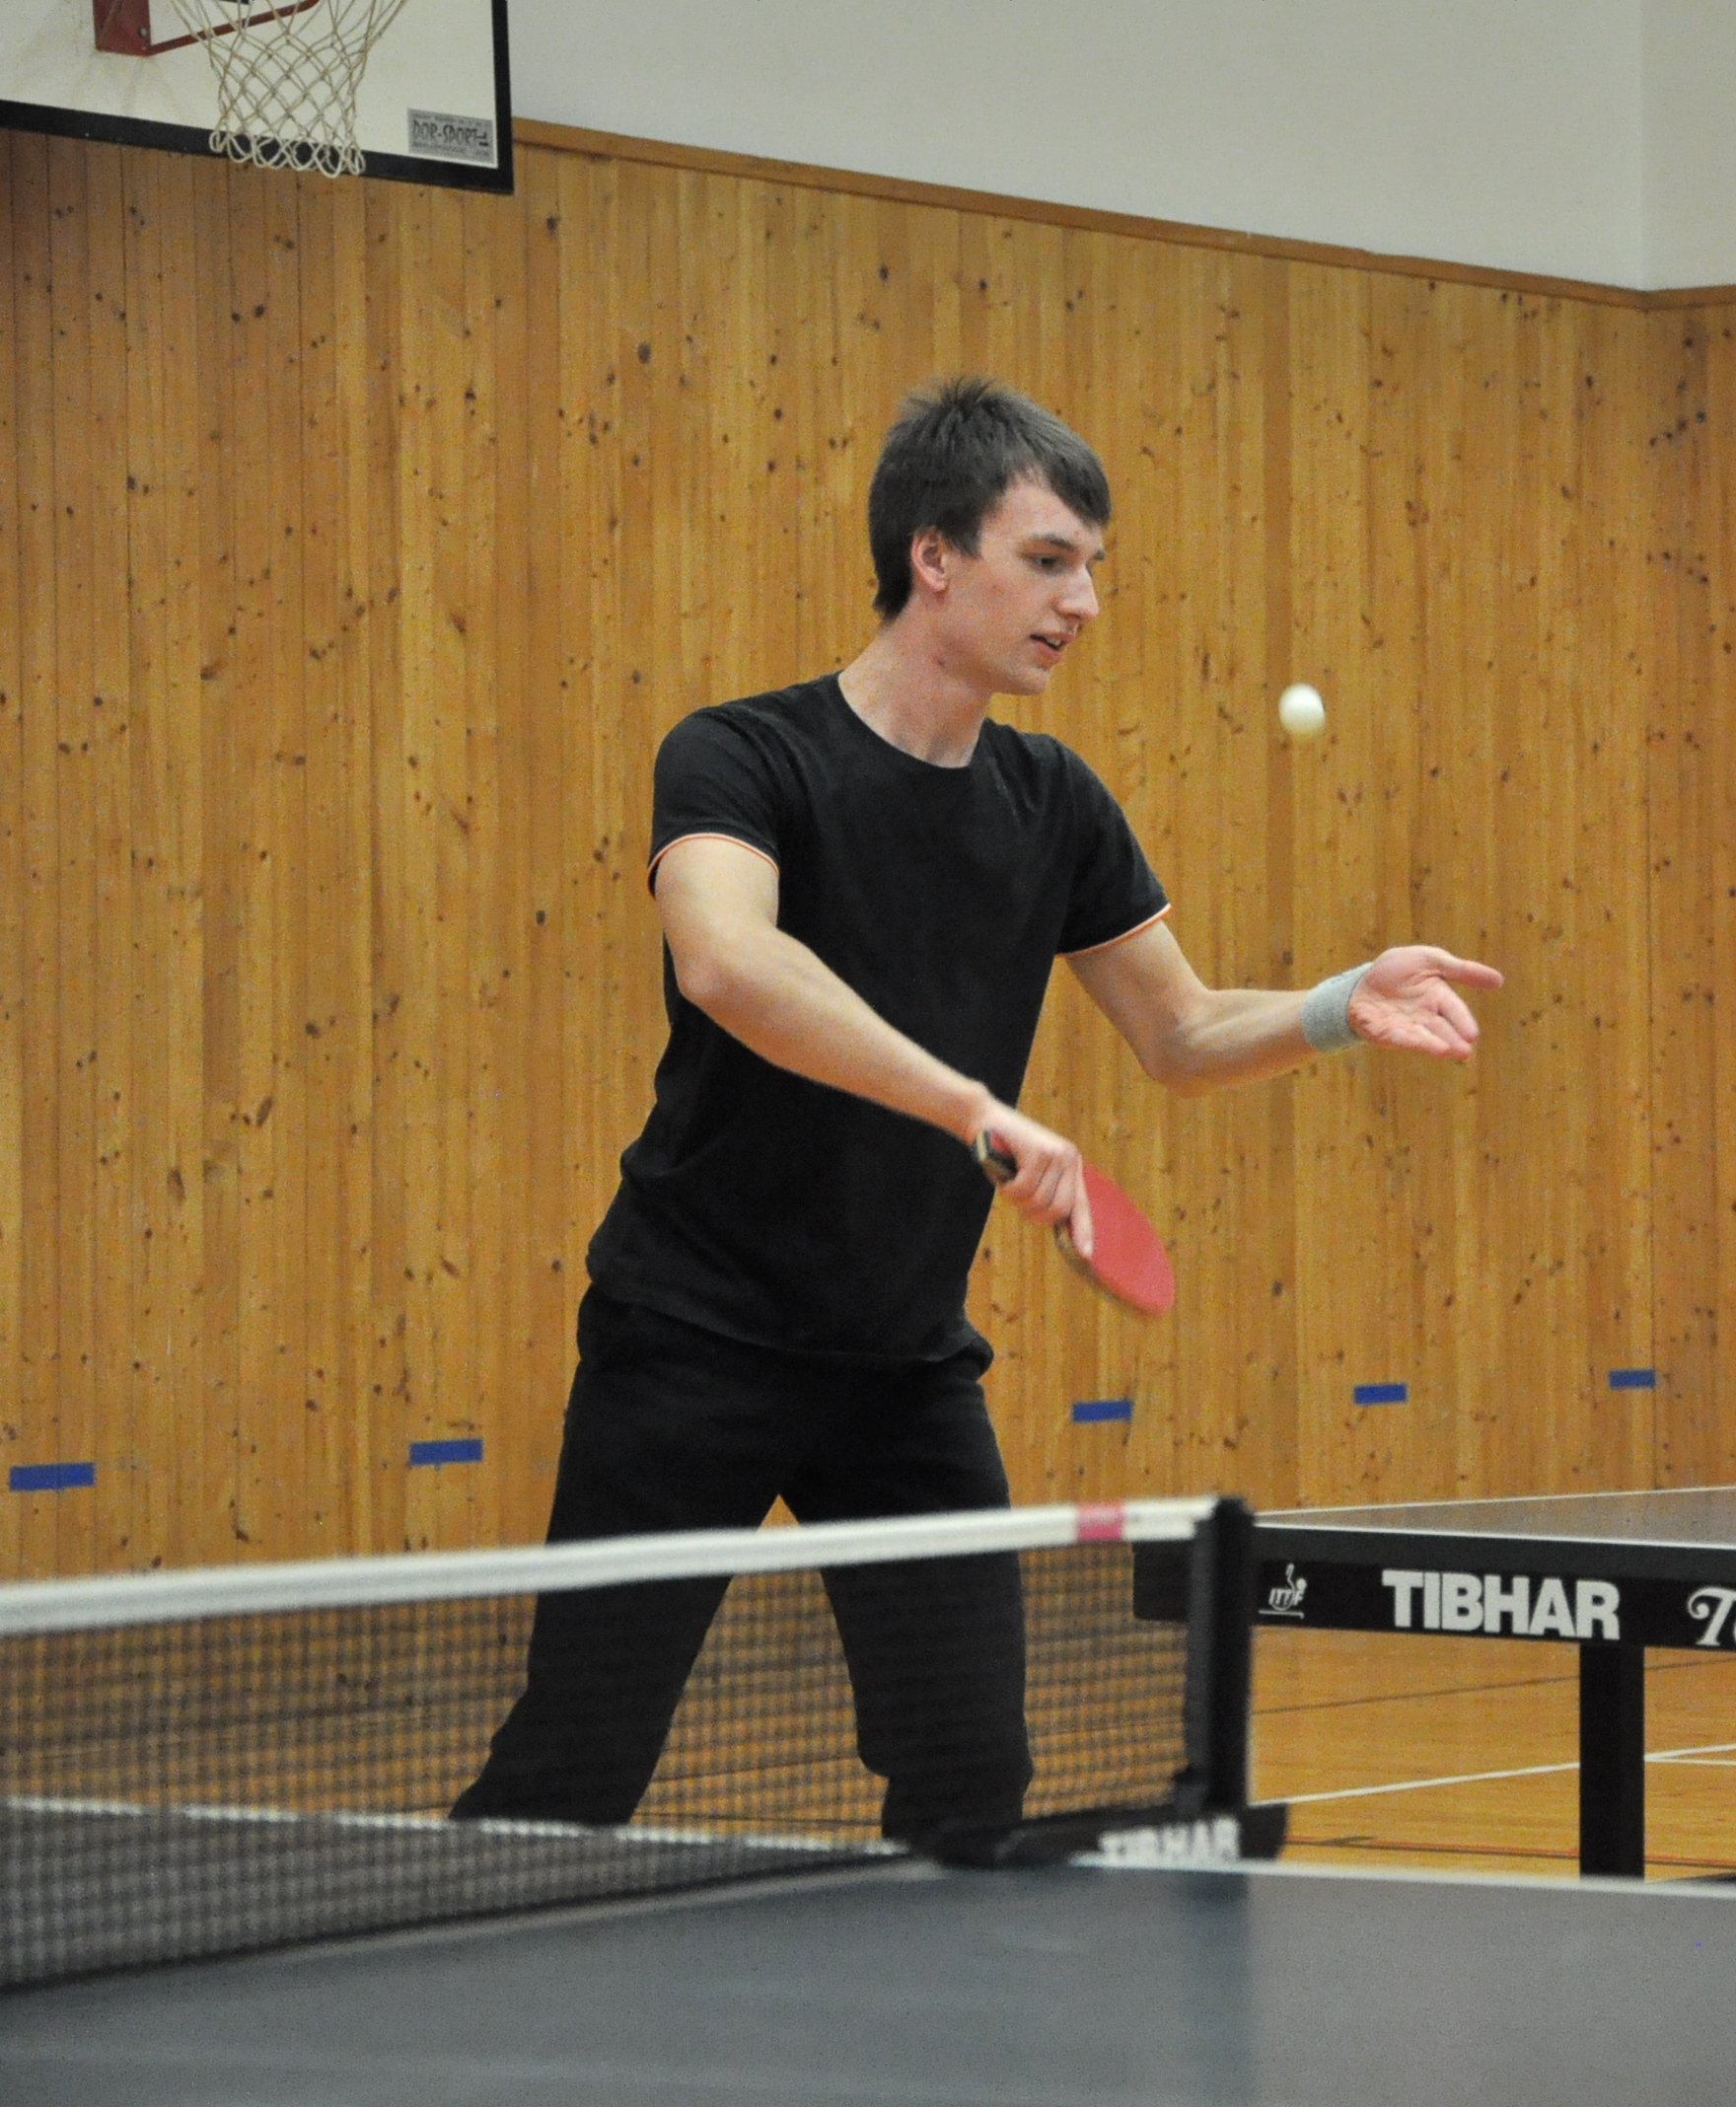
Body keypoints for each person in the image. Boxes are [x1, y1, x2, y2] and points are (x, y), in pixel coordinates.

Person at [454, 377, 1500, 1844]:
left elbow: (1183, 1032)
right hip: (688, 1342)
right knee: (578, 1765)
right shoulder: (743, 757)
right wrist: (973, 1108)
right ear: (933, 557)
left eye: (1092, 568)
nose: (1083, 603)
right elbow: (729, 965)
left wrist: (1337, 1003)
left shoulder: (1051, 800)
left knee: (970, 1770)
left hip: (901, 1368)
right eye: (1048, 560)